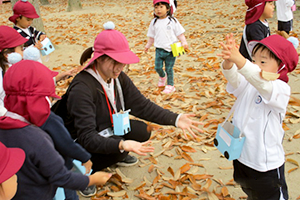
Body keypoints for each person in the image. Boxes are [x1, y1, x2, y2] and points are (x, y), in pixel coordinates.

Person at [60, 21, 202, 196]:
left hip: (105, 127)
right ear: (100, 58)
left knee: (142, 131)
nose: (120, 67)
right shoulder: (82, 88)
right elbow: (87, 137)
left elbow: (141, 105)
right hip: (78, 142)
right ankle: (82, 173)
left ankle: (112, 153)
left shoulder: (117, 76)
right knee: (120, 150)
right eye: (115, 62)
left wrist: (176, 119)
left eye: (123, 62)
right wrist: (122, 144)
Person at [0, 59, 112, 200]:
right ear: (39, 100)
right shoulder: (37, 139)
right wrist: (92, 180)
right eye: (48, 97)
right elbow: (60, 176)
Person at [218, 34, 298, 199]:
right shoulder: (250, 82)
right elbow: (234, 79)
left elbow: (261, 83)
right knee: (250, 190)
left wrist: (241, 60)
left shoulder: (280, 89)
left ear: (281, 67)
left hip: (265, 164)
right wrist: (229, 62)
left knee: (271, 195)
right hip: (242, 156)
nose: (256, 65)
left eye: (263, 62)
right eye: (254, 60)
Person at [0, 25, 75, 116]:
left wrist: (57, 78)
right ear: (7, 54)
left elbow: (31, 88)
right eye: (21, 49)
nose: (23, 52)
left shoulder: (16, 68)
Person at [145, 0, 188, 94]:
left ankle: (170, 85)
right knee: (158, 67)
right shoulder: (154, 22)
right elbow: (151, 36)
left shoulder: (172, 21)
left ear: (168, 9)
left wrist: (184, 43)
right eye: (156, 7)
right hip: (159, 49)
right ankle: (162, 76)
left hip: (172, 49)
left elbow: (180, 34)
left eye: (161, 7)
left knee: (169, 68)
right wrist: (148, 46)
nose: (158, 10)